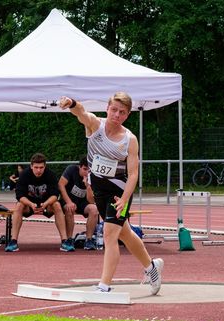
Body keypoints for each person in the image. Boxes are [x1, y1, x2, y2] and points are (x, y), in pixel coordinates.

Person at [59, 93, 163, 295]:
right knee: (125, 232)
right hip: (99, 191)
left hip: (119, 193)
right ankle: (152, 267)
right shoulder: (95, 125)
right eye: (114, 110)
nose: (117, 115)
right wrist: (71, 102)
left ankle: (104, 286)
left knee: (109, 234)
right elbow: (80, 112)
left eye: (122, 112)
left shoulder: (129, 140)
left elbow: (133, 174)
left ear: (127, 115)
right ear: (107, 108)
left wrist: (124, 199)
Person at [5, 153, 73, 252]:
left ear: (45, 166)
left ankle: (64, 241)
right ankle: (13, 241)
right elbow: (19, 195)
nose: (38, 170)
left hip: (46, 204)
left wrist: (45, 204)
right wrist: (31, 204)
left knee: (57, 205)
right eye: (36, 167)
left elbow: (55, 195)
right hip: (29, 205)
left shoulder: (50, 174)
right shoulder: (24, 174)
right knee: (19, 205)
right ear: (31, 166)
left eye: (41, 167)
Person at [58, 156, 99, 250]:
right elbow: (60, 184)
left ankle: (88, 240)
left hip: (82, 203)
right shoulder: (71, 169)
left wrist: (88, 186)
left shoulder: (93, 177)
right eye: (84, 169)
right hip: (68, 200)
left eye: (89, 171)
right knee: (70, 209)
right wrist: (68, 202)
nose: (86, 172)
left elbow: (91, 201)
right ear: (79, 167)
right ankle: (69, 239)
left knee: (94, 209)